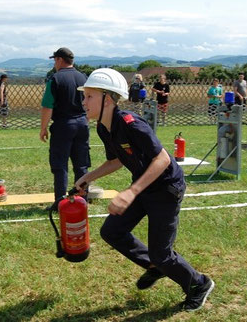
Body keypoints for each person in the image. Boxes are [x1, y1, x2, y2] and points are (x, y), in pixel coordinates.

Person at [75, 68, 214, 312]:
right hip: (144, 187)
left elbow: (161, 159)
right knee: (112, 231)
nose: (83, 102)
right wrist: (88, 177)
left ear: (107, 99)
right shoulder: (102, 127)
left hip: (165, 189)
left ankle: (199, 284)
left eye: (89, 96)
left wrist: (130, 192)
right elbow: (116, 160)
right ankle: (154, 266)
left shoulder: (132, 124)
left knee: (162, 253)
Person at [40, 47, 90, 202]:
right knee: (81, 164)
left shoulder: (55, 79)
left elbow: (48, 106)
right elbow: (90, 101)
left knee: (60, 164)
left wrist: (43, 128)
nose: (54, 63)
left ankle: (61, 201)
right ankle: (82, 199)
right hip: (82, 123)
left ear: (59, 60)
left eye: (55, 60)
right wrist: (85, 120)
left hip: (63, 125)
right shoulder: (83, 77)